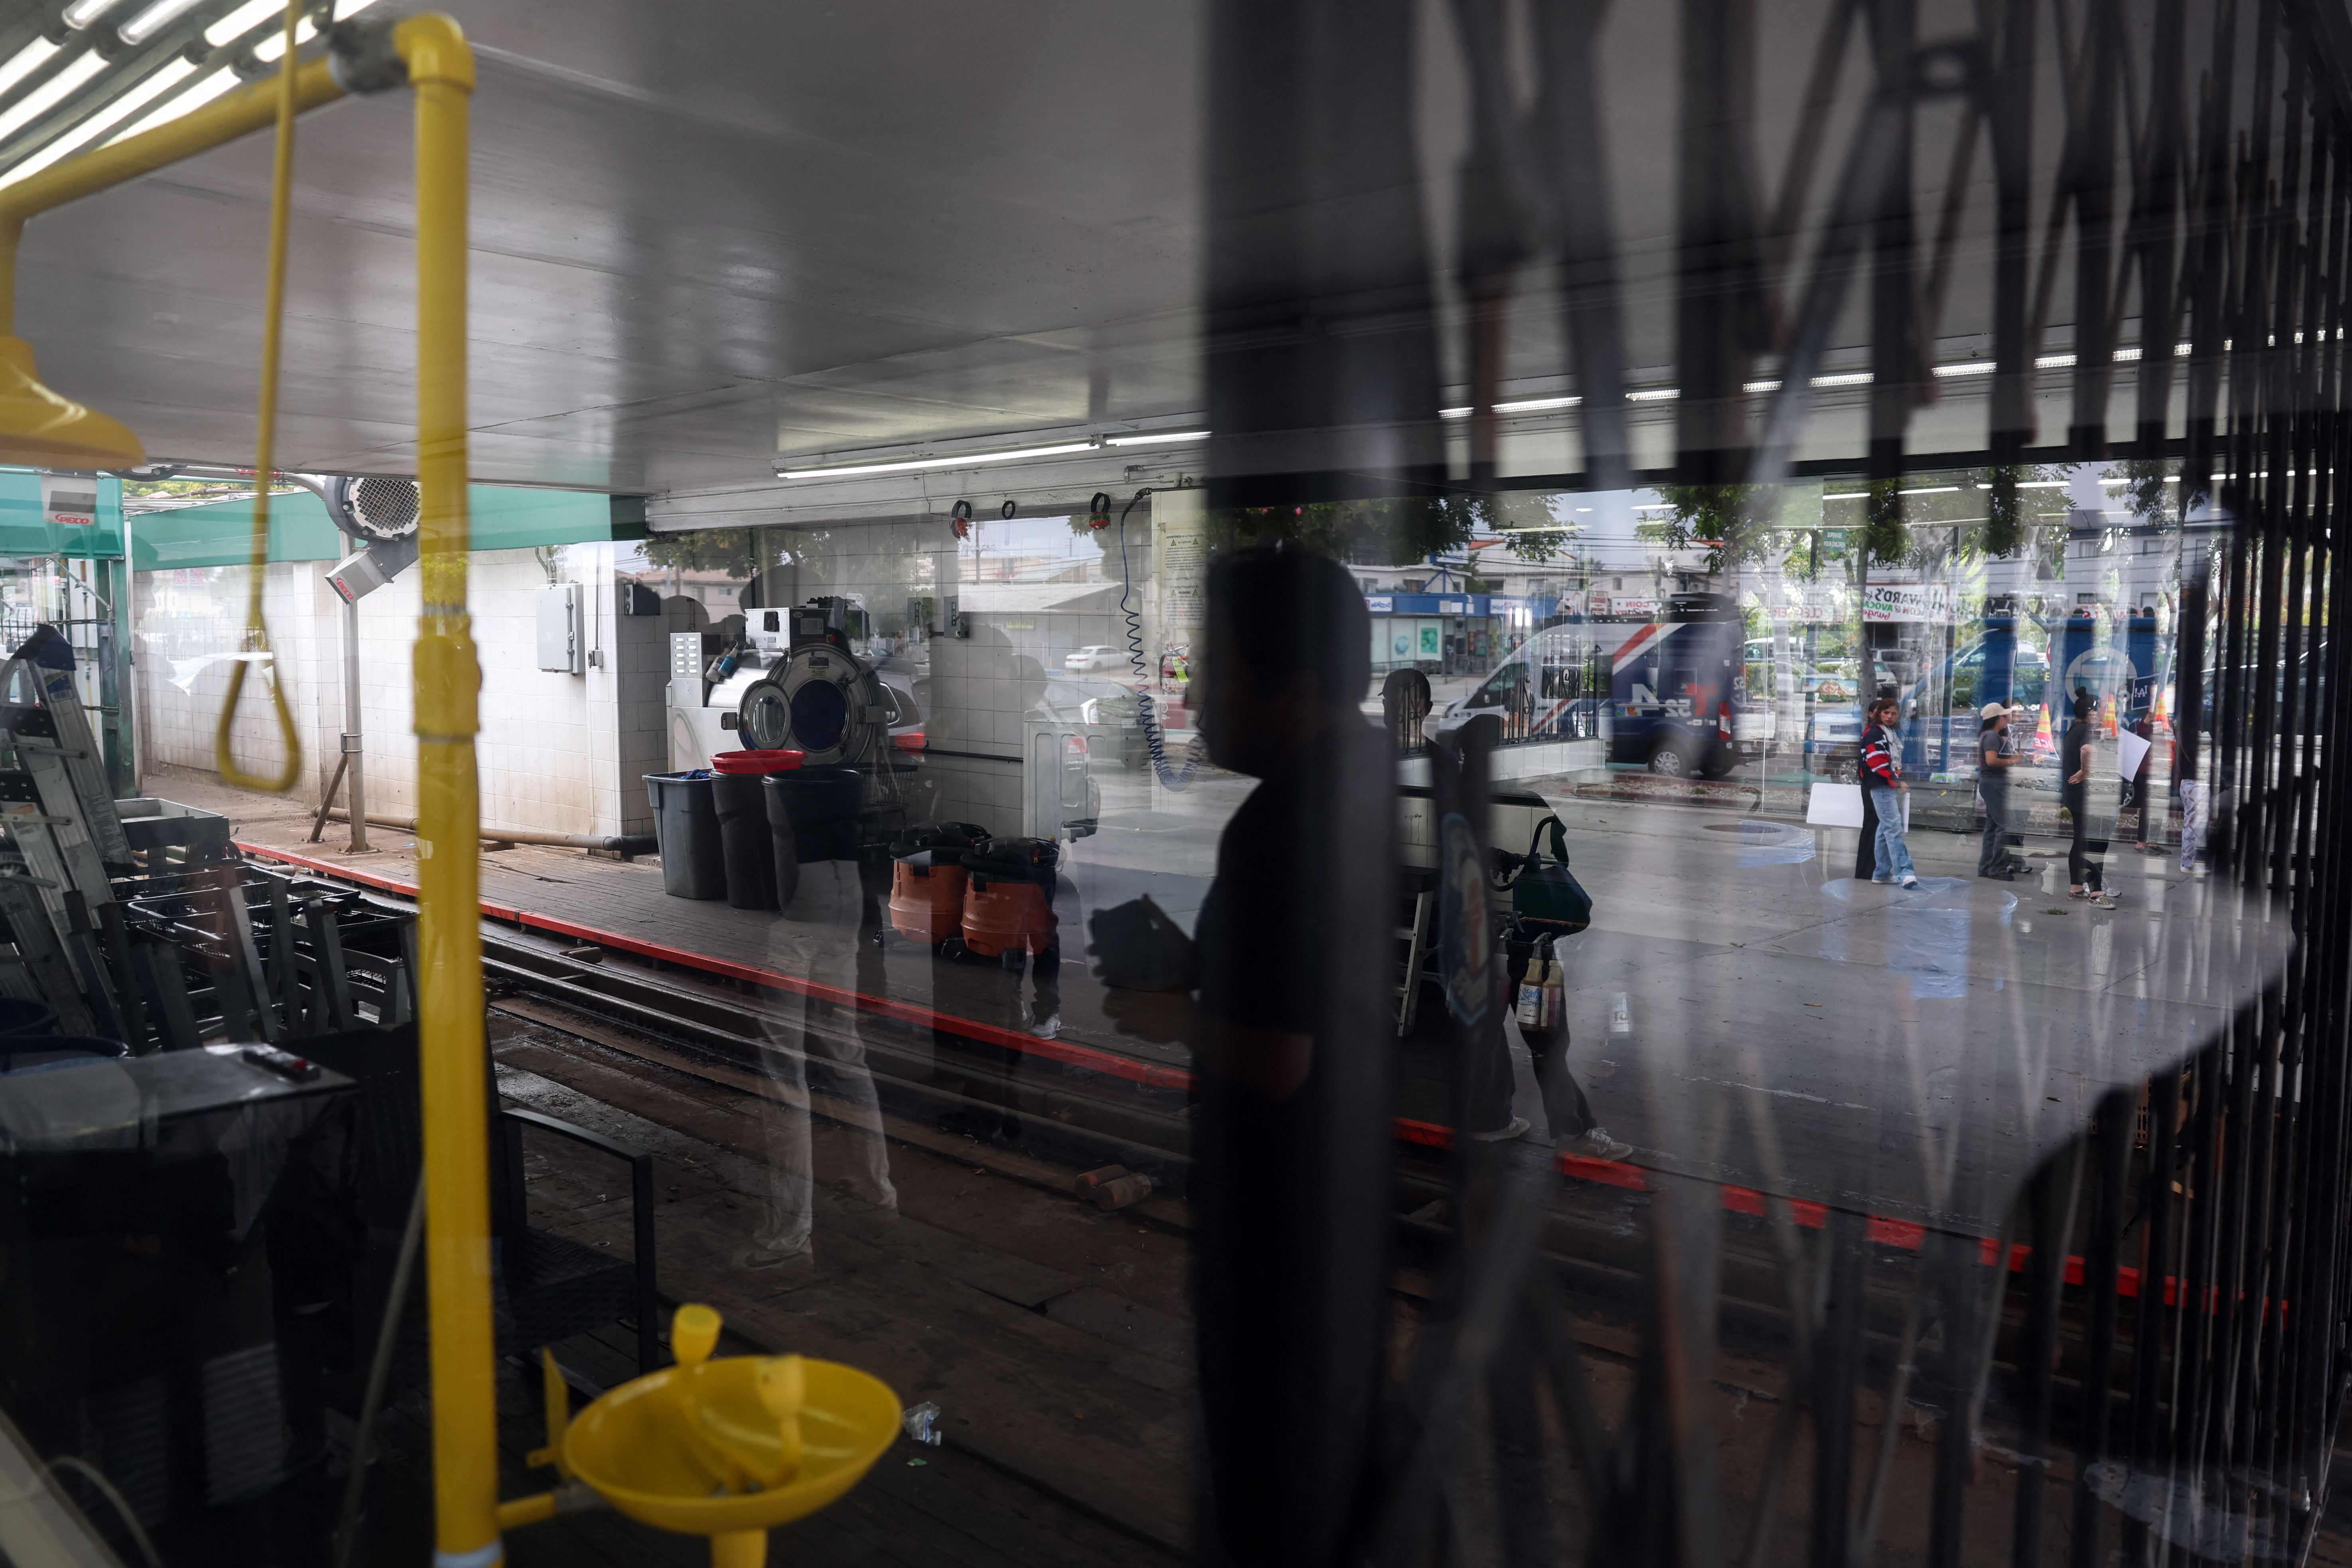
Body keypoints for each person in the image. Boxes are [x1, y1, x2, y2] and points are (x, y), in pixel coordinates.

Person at [1088, 544, 1393, 1568]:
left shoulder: (1280, 826)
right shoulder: (1360, 779)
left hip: (1276, 1241)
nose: (1193, 691)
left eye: (1212, 666)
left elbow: (1277, 1059)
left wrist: (1174, 1012)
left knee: (1269, 1497)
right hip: (1339, 1222)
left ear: (1292, 688)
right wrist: (1199, 968)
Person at [2064, 688, 2118, 906]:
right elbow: (2088, 750)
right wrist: (2086, 771)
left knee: (2080, 841)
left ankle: (2077, 886)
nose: (2103, 712)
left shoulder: (2073, 730)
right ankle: (2096, 893)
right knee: (2097, 843)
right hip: (2088, 798)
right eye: (2100, 709)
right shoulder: (2087, 730)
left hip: (2075, 796)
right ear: (2091, 712)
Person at [1858, 695, 1920, 889]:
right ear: (1879, 713)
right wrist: (1896, 781)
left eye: (1894, 713)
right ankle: (1905, 873)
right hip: (1881, 784)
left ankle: (1882, 873)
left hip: (1882, 784)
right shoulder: (1875, 733)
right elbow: (1878, 764)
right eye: (1886, 713)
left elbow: (1883, 763)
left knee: (1886, 829)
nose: (1890, 716)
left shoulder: (1884, 732)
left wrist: (1895, 779)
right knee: (1893, 829)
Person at [1976, 701, 2023, 879]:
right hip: (1994, 783)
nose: (2007, 719)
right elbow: (1992, 761)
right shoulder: (1992, 737)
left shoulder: (1989, 735)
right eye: (2005, 716)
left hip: (1991, 783)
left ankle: (1987, 866)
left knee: (1992, 827)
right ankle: (1997, 867)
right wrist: (2014, 761)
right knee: (2005, 826)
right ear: (1997, 719)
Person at [1381, 666, 1433, 753]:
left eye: (1409, 703)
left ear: (1427, 709)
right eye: (1394, 701)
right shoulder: (1441, 758)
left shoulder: (1363, 753)